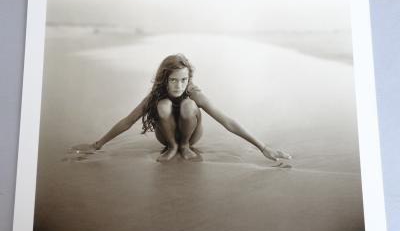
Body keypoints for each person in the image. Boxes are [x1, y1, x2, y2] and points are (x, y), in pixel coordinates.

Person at [72, 54, 291, 163]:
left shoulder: (194, 94)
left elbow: (228, 122)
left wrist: (263, 147)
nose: (179, 85)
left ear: (189, 79)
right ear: (164, 80)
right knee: (164, 105)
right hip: (165, 136)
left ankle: (184, 145)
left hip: (192, 133)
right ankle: (173, 146)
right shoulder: (155, 96)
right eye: (174, 80)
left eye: (183, 80)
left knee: (188, 105)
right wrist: (97, 144)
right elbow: (128, 121)